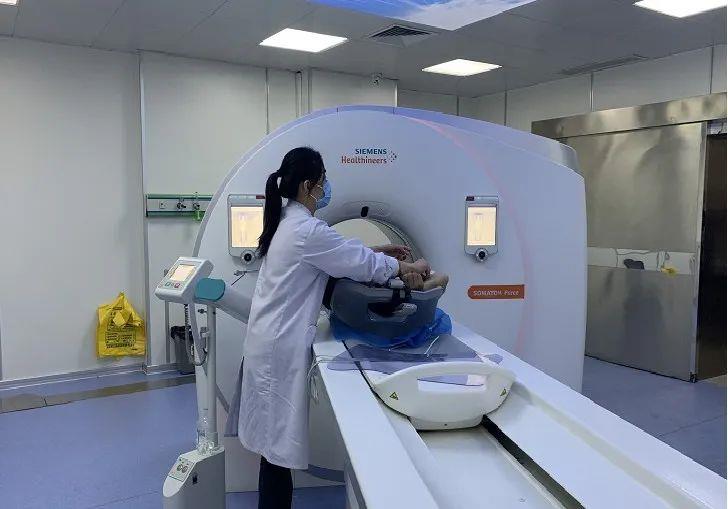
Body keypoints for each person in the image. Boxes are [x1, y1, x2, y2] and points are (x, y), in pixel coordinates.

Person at [235, 147, 430, 509]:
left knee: (270, 448)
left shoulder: (288, 223)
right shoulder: (306, 230)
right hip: (278, 351)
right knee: (276, 453)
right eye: (323, 181)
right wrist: (408, 268)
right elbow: (355, 262)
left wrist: (380, 251)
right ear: (308, 186)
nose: (326, 188)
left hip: (268, 343)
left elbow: (338, 255)